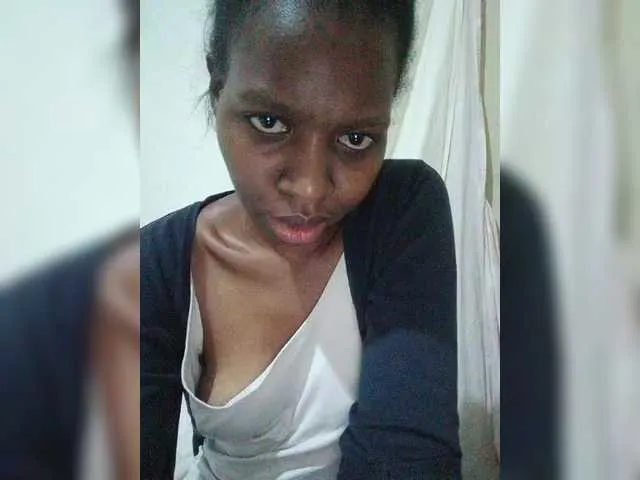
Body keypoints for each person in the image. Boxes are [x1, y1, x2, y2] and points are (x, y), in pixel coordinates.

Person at [141, 1, 460, 478]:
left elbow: (408, 456)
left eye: (355, 138)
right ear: (218, 87)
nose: (310, 191)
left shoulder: (403, 210)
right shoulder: (152, 267)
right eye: (269, 122)